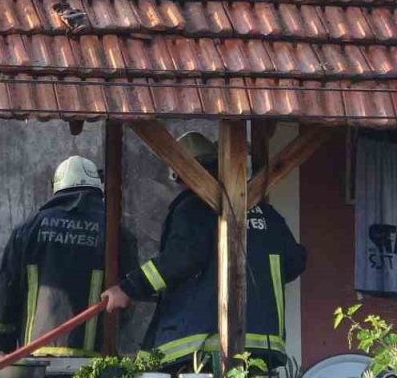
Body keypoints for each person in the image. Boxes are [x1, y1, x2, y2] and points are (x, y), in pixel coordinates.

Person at [101, 132, 307, 370]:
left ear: (181, 173)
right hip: (264, 347)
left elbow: (180, 258)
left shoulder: (193, 208)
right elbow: (295, 262)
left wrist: (128, 288)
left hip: (203, 344)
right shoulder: (267, 214)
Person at [0, 155, 126, 356]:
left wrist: (0, 346)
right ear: (97, 187)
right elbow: (128, 294)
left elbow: (7, 292)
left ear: (56, 187)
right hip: (95, 361)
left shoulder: (28, 230)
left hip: (37, 357)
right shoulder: (115, 231)